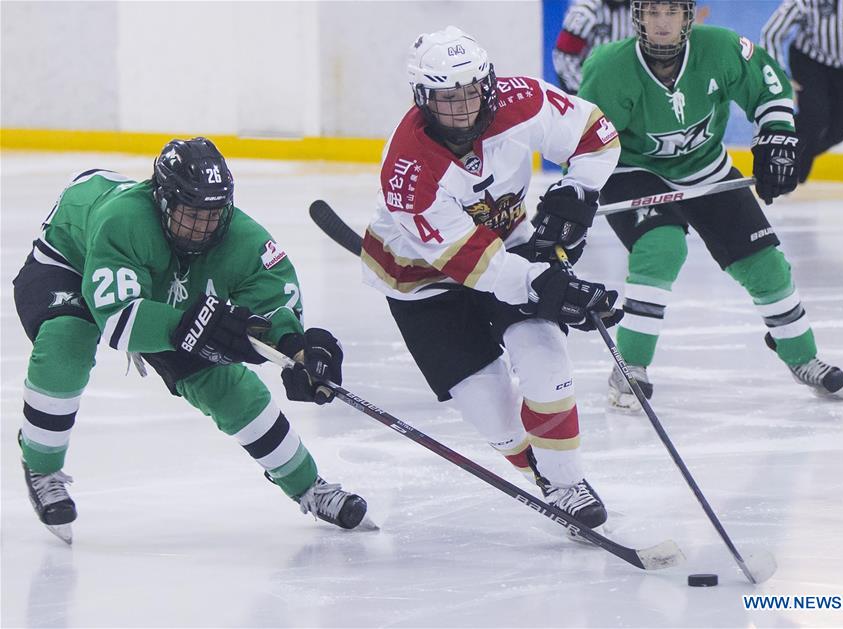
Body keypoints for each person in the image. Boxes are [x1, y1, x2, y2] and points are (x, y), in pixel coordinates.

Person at [13, 137, 367, 544]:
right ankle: (41, 463)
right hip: (69, 260)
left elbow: (274, 301)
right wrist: (199, 327)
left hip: (158, 277)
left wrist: (298, 348)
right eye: (191, 212)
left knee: (226, 386)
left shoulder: (244, 238)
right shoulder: (124, 220)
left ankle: (309, 486)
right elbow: (118, 319)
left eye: (214, 213)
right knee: (68, 341)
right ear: (163, 201)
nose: (204, 226)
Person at [360, 25, 623, 531]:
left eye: (471, 92)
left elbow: (597, 134)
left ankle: (567, 483)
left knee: (546, 359)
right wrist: (552, 288)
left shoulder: (521, 101)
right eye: (446, 98)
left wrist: (579, 191)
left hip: (508, 245)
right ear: (421, 98)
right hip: (421, 285)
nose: (462, 109)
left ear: (490, 82)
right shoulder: (409, 171)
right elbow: (473, 265)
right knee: (498, 421)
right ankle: (542, 475)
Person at [577, 0, 843, 410]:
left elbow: (767, 83)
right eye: (652, 12)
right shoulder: (610, 67)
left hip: (706, 166)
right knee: (661, 247)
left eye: (672, 11)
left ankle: (800, 354)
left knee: (764, 262)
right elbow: (587, 138)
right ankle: (629, 364)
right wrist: (577, 189)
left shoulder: (721, 48)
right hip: (634, 169)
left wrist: (776, 133)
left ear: (689, 15)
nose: (662, 22)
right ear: (638, 17)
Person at [761, 0, 843, 183]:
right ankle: (789, 169)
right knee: (815, 116)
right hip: (809, 62)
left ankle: (784, 157)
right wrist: (781, 74)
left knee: (840, 130)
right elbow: (771, 33)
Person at [553, 0, 711, 95]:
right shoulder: (586, 11)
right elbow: (563, 58)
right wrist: (585, 92)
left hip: (626, 94)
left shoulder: (641, 8)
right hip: (589, 92)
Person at [553, 0, 633, 94]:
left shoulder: (639, 9)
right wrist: (589, 91)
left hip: (624, 92)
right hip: (587, 91)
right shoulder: (585, 11)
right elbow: (563, 58)